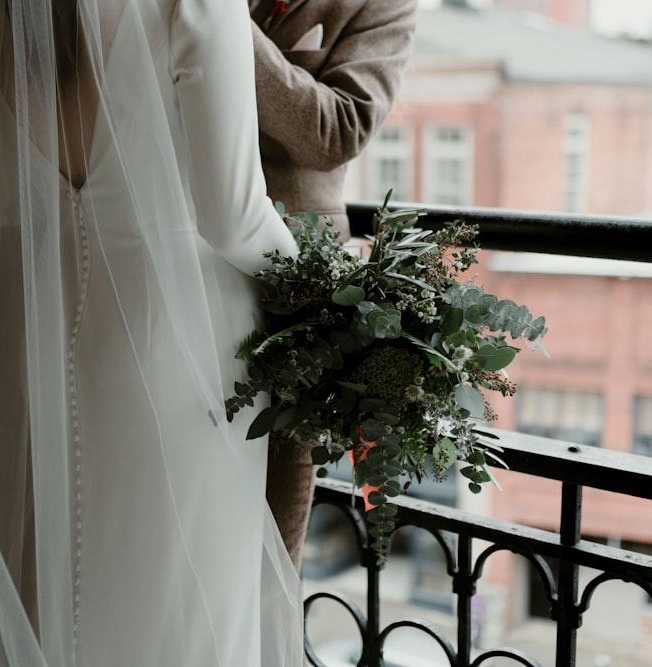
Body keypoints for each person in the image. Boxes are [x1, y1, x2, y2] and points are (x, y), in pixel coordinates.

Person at [0, 0, 303, 664]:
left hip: (64, 340)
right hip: (184, 350)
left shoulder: (6, 13)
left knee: (91, 594)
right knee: (190, 611)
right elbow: (236, 219)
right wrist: (333, 290)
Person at [248, 0, 419, 571]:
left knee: (269, 541)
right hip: (163, 252)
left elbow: (340, 128)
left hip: (290, 297)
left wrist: (227, 32)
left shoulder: (385, 5)